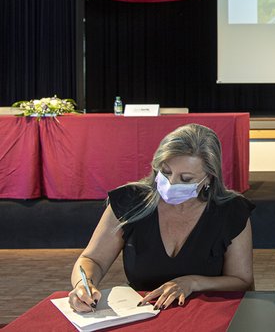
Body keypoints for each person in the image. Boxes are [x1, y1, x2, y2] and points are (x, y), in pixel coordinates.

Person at [67, 124, 254, 312]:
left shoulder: (231, 210)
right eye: (165, 172)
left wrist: (193, 283)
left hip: (209, 313)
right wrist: (83, 286)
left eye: (186, 179)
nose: (171, 183)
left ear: (209, 178)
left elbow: (242, 282)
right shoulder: (129, 201)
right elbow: (92, 259)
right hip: (140, 314)